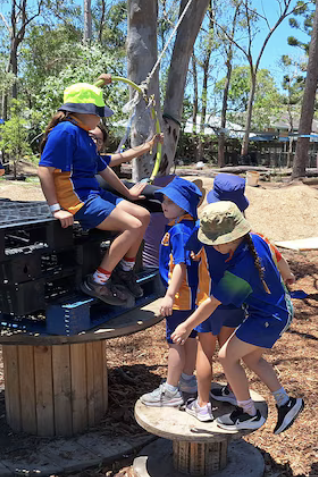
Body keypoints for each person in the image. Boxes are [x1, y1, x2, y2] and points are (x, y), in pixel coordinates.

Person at [171, 201, 304, 434]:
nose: (212, 247)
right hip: (275, 311)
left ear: (230, 239)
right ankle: (286, 402)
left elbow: (212, 303)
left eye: (215, 243)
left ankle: (248, 413)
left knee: (226, 357)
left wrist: (186, 326)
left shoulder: (241, 268)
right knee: (252, 358)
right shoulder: (255, 240)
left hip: (268, 318)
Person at [37, 80, 151, 306]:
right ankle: (97, 281)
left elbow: (104, 169)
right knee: (132, 225)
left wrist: (128, 194)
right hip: (77, 200)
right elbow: (44, 170)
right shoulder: (65, 131)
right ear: (83, 112)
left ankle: (125, 270)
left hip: (93, 194)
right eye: (98, 113)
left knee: (144, 216)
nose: (100, 118)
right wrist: (56, 209)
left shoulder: (84, 134)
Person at [141, 178, 205, 410]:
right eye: (164, 200)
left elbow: (180, 265)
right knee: (189, 337)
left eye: (171, 202)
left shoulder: (178, 231)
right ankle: (187, 380)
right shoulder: (190, 226)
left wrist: (169, 295)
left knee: (175, 341)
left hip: (181, 296)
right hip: (194, 295)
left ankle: (170, 390)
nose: (164, 205)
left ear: (185, 206)